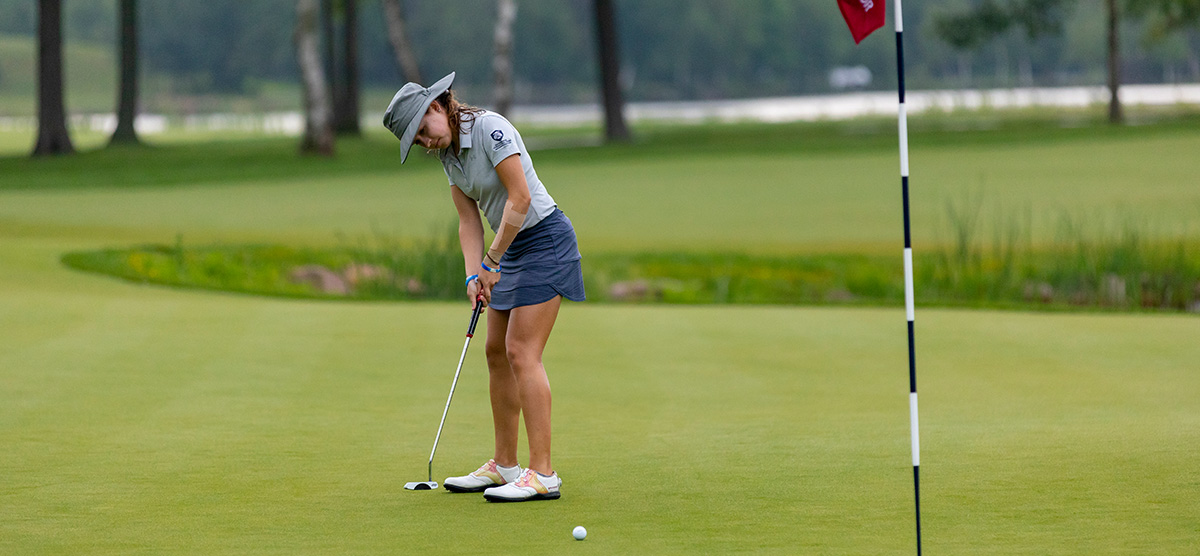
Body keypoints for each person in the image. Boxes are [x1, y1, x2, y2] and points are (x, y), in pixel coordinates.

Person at [383, 72, 585, 502]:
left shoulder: (491, 129)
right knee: (495, 351)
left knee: (520, 351)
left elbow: (520, 199)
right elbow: (468, 220)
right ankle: (505, 465)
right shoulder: (448, 155)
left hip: (544, 239)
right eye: (416, 141)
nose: (425, 142)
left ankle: (543, 473)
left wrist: (493, 260)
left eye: (423, 130)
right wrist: (475, 275)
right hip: (506, 246)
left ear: (439, 106)